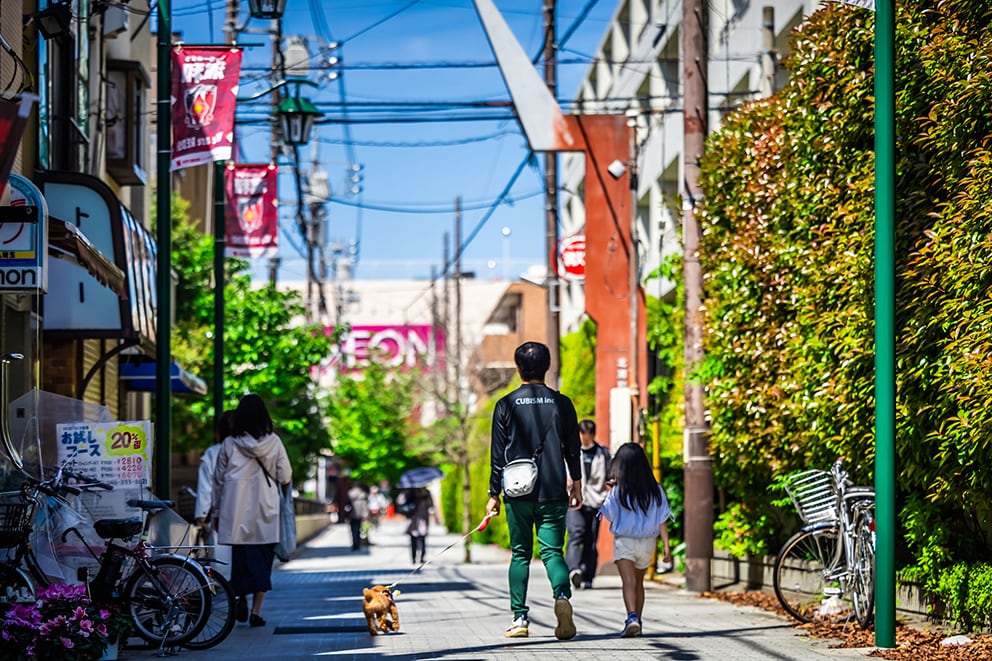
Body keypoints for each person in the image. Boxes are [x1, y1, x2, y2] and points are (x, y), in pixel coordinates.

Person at [485, 341, 583, 640]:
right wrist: (576, 482)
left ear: (518, 368)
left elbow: (498, 454)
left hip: (517, 492)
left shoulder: (505, 404)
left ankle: (519, 618)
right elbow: (573, 448)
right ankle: (563, 596)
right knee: (553, 552)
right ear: (548, 366)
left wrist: (493, 494)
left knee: (520, 554)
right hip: (553, 489)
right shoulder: (562, 403)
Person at [212, 394, 292, 628]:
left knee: (241, 563)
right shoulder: (274, 442)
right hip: (266, 514)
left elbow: (217, 481)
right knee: (262, 563)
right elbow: (285, 475)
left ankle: (242, 598)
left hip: (236, 515)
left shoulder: (229, 444)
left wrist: (216, 512)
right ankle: (256, 611)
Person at [597, 442, 673, 638]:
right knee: (639, 582)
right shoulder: (656, 490)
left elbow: (609, 514)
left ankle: (631, 617)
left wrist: (612, 490)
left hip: (625, 541)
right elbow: (662, 519)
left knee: (628, 582)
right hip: (648, 543)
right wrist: (666, 547)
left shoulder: (618, 491)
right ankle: (637, 621)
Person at [566, 419, 611, 590]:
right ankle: (574, 569)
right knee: (576, 533)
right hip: (574, 500)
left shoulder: (602, 453)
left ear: (593, 435)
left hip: (596, 501)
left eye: (588, 436)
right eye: (582, 436)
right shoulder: (570, 452)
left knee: (591, 539)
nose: (585, 439)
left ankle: (588, 575)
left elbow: (610, 474)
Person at [194, 409, 236, 548]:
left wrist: (201, 514)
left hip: (221, 514)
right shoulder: (248, 449)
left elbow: (206, 487)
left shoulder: (213, 452)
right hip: (249, 517)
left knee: (221, 558)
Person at [404, 487, 437, 564]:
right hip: (412, 519)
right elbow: (404, 504)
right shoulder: (410, 492)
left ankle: (422, 557)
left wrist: (424, 496)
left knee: (422, 539)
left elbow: (430, 504)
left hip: (422, 519)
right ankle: (413, 558)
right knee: (413, 540)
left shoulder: (426, 493)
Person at [346, 482, 370, 551]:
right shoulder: (363, 494)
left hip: (352, 514)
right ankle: (358, 544)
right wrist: (365, 515)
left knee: (353, 530)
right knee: (359, 529)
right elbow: (365, 505)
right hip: (360, 514)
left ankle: (354, 545)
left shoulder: (350, 494)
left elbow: (347, 505)